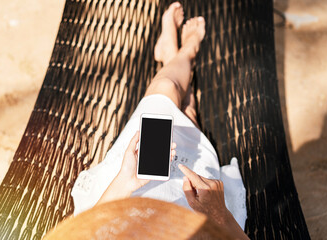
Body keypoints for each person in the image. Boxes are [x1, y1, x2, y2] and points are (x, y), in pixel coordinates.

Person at [71, 2, 248, 239]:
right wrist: (219, 215)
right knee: (186, 111)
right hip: (190, 214)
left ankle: (180, 55)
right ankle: (180, 54)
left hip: (124, 200)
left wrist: (125, 182)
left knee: (166, 89)